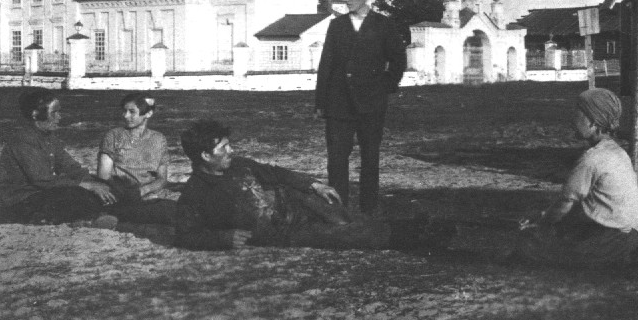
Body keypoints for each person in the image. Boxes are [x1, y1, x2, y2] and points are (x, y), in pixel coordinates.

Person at [174, 119, 451, 251]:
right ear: (205, 156)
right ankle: (419, 236)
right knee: (345, 236)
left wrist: (314, 184)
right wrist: (222, 239)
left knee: (344, 218)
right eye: (224, 147)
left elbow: (276, 173)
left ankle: (414, 226)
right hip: (284, 232)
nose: (231, 150)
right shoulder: (195, 192)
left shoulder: (240, 165)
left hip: (296, 202)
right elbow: (185, 235)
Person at [510, 88, 638, 268]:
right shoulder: (617, 152)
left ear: (593, 122)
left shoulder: (592, 159)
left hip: (611, 242)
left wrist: (540, 225)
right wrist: (543, 216)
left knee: (528, 243)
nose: (573, 120)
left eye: (578, 113)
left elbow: (565, 204)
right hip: (630, 236)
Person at [315, 0, 407, 215]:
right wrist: (321, 102)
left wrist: (385, 86)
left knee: (370, 157)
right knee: (336, 158)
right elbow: (326, 64)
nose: (347, 0)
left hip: (371, 104)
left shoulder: (383, 25)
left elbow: (398, 60)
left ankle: (369, 209)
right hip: (339, 103)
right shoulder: (337, 25)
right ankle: (338, 209)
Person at [0, 88, 118, 226]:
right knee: (73, 195)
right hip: (16, 199)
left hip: (39, 192)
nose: (59, 117)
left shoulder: (49, 138)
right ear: (35, 114)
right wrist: (87, 185)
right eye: (54, 112)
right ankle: (89, 220)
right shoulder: (23, 139)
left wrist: (94, 183)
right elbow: (43, 180)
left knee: (105, 186)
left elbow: (71, 167)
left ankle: (99, 215)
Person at [96, 92, 176, 224]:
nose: (125, 115)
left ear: (148, 114)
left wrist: (144, 191)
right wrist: (130, 195)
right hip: (120, 194)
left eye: (132, 111)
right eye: (124, 111)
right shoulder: (113, 136)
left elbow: (162, 178)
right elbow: (104, 176)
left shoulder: (159, 139)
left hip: (147, 194)